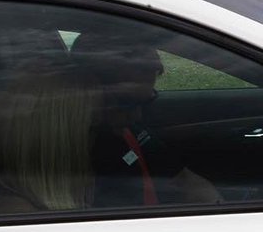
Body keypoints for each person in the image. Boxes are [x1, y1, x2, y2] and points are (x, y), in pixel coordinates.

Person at [68, 30, 219, 207]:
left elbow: (185, 181)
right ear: (88, 89)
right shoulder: (70, 154)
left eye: (147, 101)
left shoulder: (129, 132)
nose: (137, 115)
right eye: (126, 102)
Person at [0, 67, 101, 214]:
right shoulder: (21, 217)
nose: (101, 140)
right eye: (94, 128)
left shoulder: (4, 201)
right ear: (63, 144)